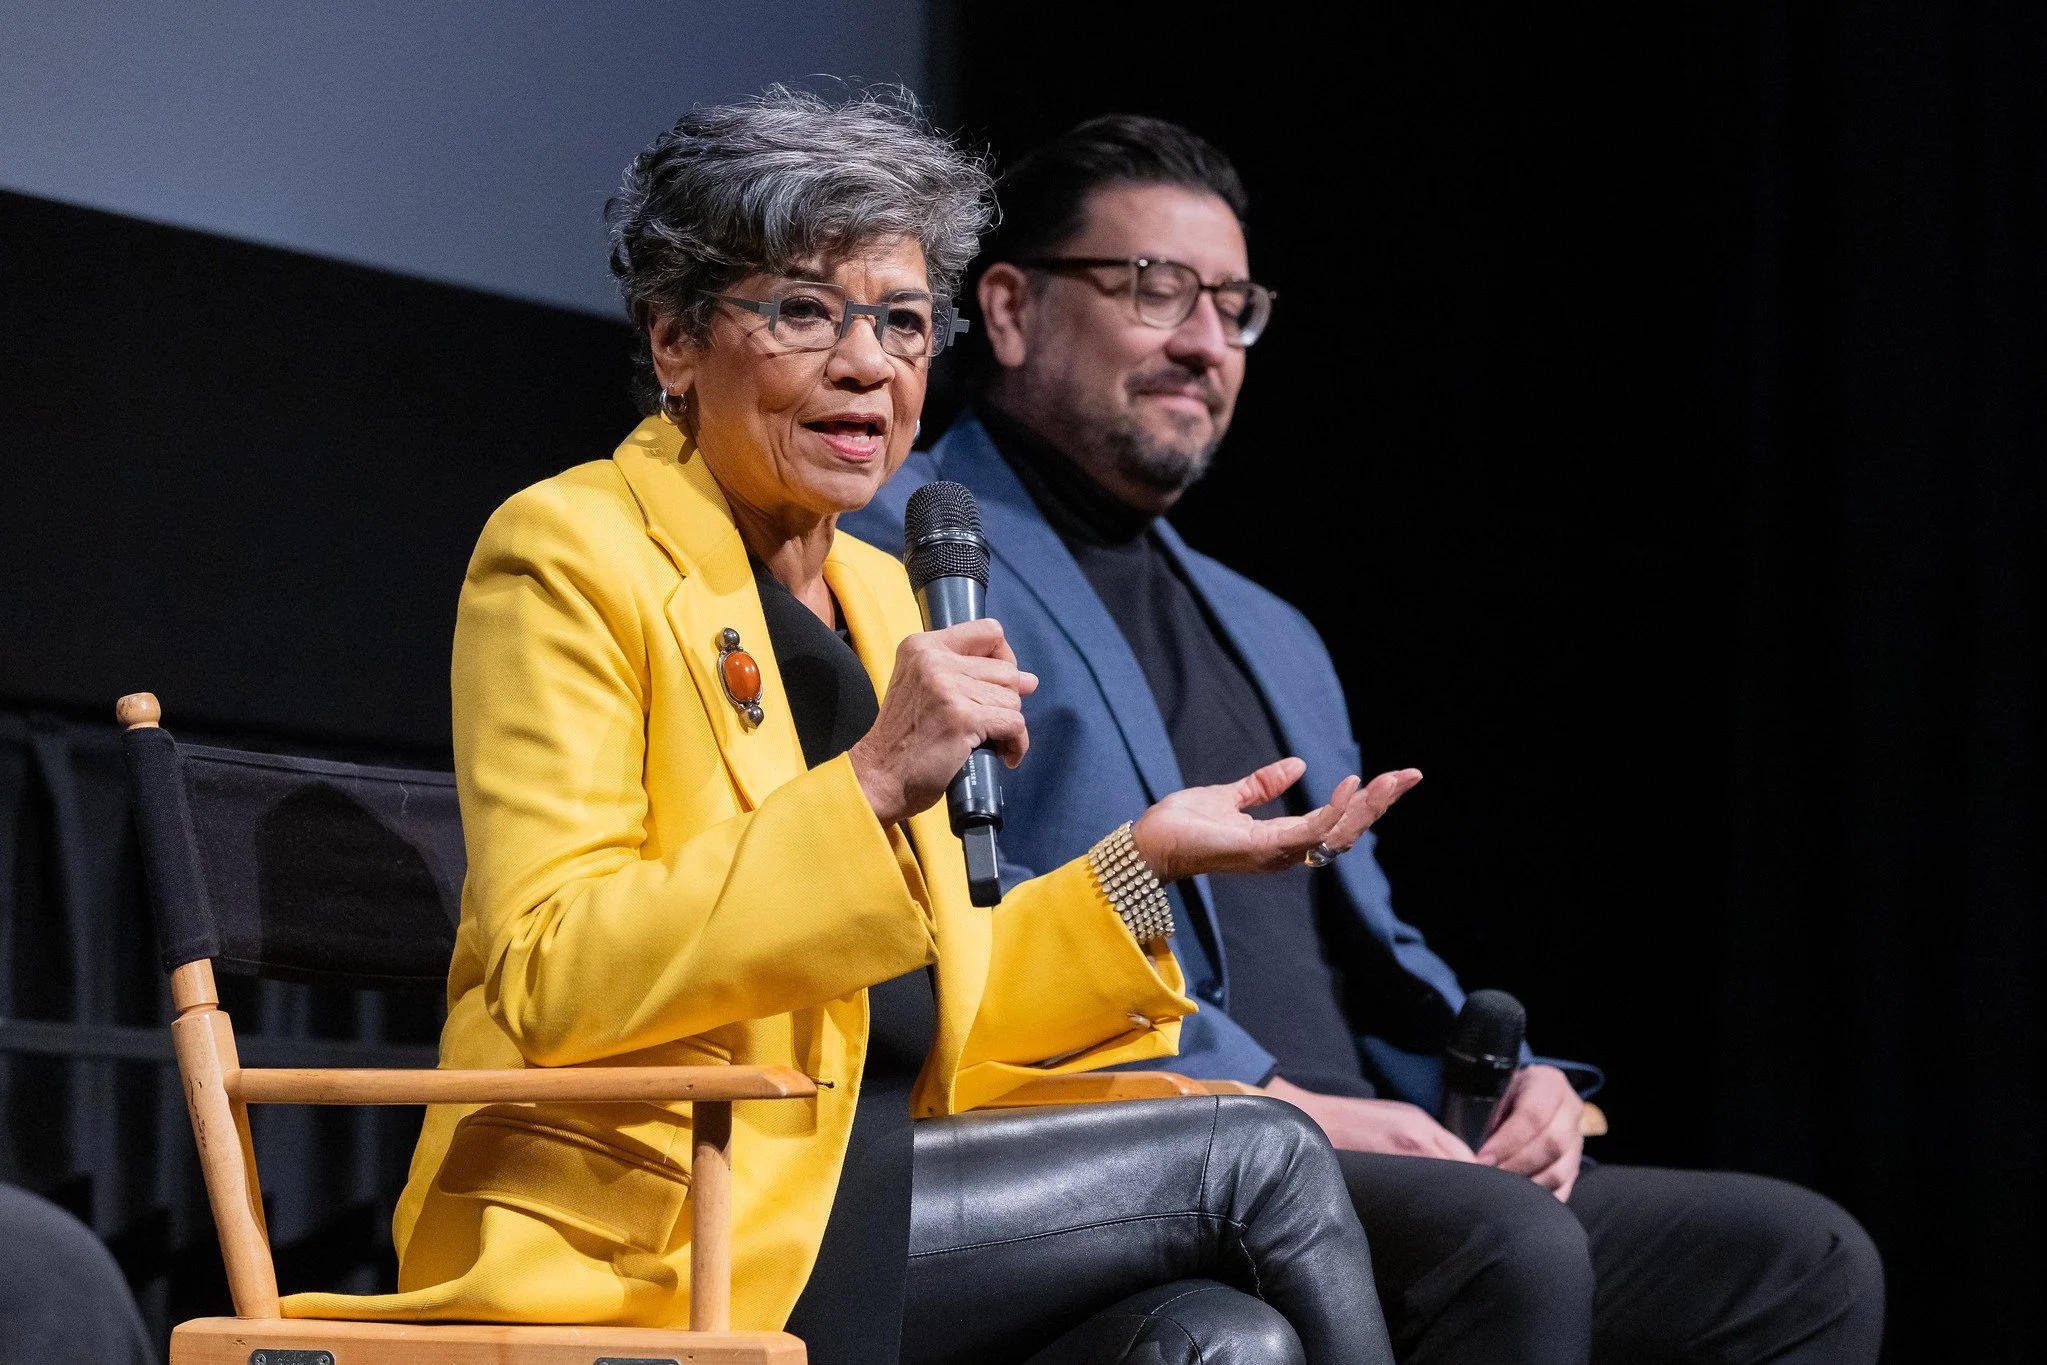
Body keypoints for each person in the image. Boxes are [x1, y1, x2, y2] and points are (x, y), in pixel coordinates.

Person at [284, 89, 1404, 1365]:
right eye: (806, 312)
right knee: (1257, 1154)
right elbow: (553, 974)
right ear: (674, 339)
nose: (869, 364)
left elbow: (944, 1005)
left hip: (877, 1170)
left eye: (903, 322)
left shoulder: (882, 593)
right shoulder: (570, 552)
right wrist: (867, 781)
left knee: (1219, 1338)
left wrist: (1145, 861)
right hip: (674, 1221)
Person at [844, 115, 1886, 1364]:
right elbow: (945, 906)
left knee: (1802, 1263)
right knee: (1506, 1244)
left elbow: (1368, 945)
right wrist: (1270, 1099)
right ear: (1010, 311)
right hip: (1158, 1140)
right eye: (1154, 289)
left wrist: (1515, 1080)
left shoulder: (1266, 625)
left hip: (1384, 1135)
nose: (1203, 342)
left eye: (1232, 307)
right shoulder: (898, 546)